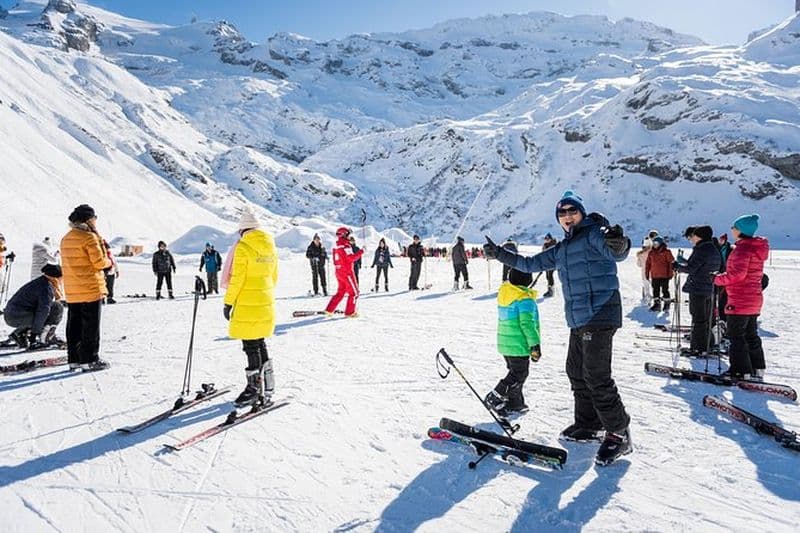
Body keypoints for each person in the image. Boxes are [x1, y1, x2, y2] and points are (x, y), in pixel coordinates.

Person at [483, 190, 632, 466]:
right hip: (579, 318)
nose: (567, 216)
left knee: (597, 376)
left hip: (600, 313)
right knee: (576, 371)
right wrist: (500, 254)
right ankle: (589, 424)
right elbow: (530, 264)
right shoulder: (563, 248)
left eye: (572, 211)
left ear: (582, 213)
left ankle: (619, 432)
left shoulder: (594, 234)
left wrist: (618, 241)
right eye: (562, 213)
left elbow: (616, 251)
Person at [223, 208, 279, 407]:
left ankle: (253, 389)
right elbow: (274, 277)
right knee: (260, 341)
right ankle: (268, 385)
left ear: (243, 230)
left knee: (250, 345)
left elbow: (237, 279)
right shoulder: (270, 245)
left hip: (247, 301)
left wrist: (228, 302)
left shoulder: (243, 247)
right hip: (265, 300)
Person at [713, 214, 768, 380]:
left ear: (740, 230)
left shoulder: (741, 250)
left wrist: (716, 279)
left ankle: (740, 370)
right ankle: (757, 367)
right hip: (753, 299)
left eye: (734, 227)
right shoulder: (755, 249)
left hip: (740, 299)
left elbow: (736, 275)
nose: (732, 230)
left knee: (736, 336)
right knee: (751, 334)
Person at [60, 204, 112, 371]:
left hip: (72, 289)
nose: (95, 221)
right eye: (94, 218)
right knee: (90, 326)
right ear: (88, 220)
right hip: (90, 287)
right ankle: (89, 359)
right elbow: (99, 262)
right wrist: (109, 262)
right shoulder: (89, 237)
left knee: (74, 325)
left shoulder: (66, 238)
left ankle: (73, 359)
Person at [484, 268, 541, 416]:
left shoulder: (507, 293)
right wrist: (534, 345)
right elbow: (527, 324)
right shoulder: (524, 299)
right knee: (519, 374)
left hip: (506, 344)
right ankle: (495, 396)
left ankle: (515, 402)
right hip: (518, 344)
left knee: (515, 372)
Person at [674, 225, 722, 356]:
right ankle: (708, 345)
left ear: (699, 236)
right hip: (709, 287)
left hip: (698, 288)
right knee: (706, 318)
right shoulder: (713, 248)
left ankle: (698, 348)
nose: (692, 238)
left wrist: (677, 266)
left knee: (698, 318)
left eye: (694, 235)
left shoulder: (701, 250)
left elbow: (691, 268)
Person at [2, 264, 65, 349]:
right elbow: (43, 311)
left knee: (51, 307)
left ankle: (19, 334)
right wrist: (34, 335)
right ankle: (45, 337)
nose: (62, 280)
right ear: (55, 278)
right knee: (57, 308)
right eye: (61, 278)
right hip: (17, 317)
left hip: (12, 315)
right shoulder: (46, 288)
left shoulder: (41, 281)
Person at [325, 227, 364, 317]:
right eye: (348, 235)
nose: (349, 237)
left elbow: (335, 260)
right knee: (354, 293)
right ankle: (350, 312)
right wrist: (362, 251)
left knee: (341, 292)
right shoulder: (346, 246)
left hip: (339, 272)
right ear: (344, 235)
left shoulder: (336, 246)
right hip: (347, 272)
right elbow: (351, 258)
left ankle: (329, 310)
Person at [645, 237, 674, 312]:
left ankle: (667, 304)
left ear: (660, 243)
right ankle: (657, 305)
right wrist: (647, 274)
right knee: (655, 290)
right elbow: (648, 264)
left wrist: (670, 274)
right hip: (655, 275)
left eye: (656, 243)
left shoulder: (667, 252)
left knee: (665, 290)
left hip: (664, 275)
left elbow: (671, 263)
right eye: (653, 243)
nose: (655, 245)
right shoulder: (651, 253)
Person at [636, 238, 653, 303]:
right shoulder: (654, 253)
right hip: (654, 272)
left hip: (645, 273)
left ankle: (647, 299)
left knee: (646, 287)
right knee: (655, 286)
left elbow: (639, 264)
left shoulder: (640, 254)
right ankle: (656, 299)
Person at [102, 239, 119, 304]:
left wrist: (117, 271)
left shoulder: (110, 254)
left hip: (111, 273)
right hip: (104, 273)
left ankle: (110, 298)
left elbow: (114, 263)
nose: (107, 249)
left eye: (107, 248)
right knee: (103, 286)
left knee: (110, 286)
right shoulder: (101, 255)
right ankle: (102, 298)